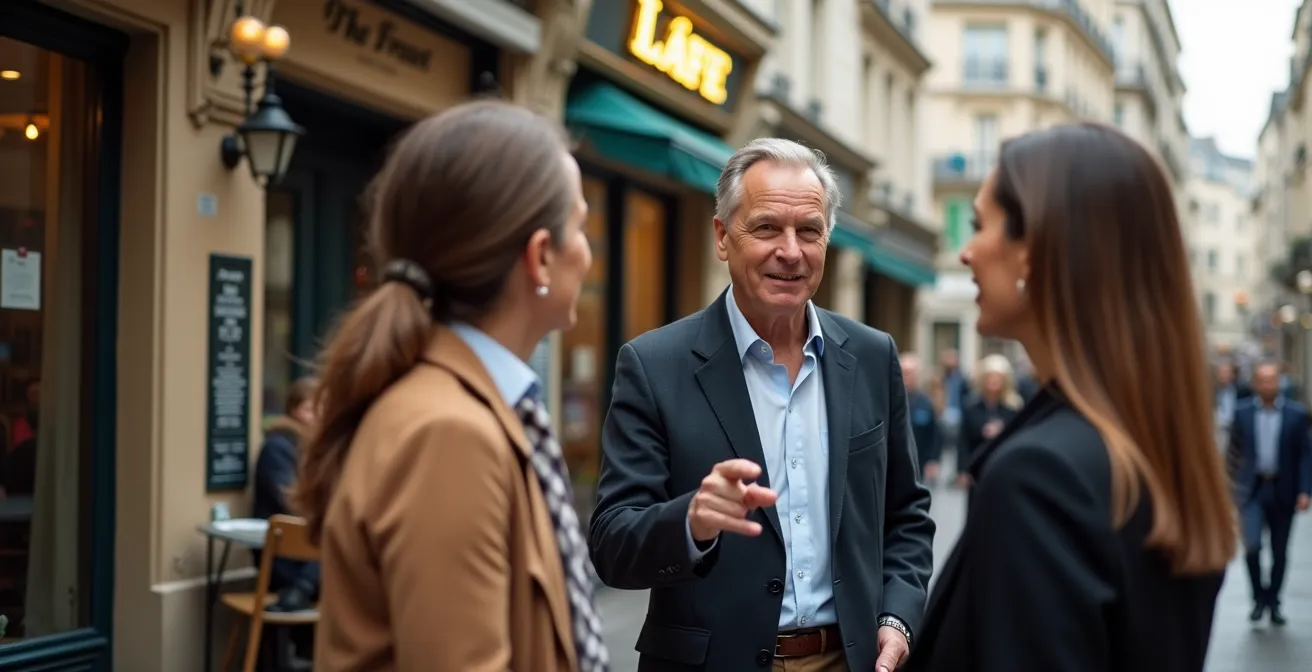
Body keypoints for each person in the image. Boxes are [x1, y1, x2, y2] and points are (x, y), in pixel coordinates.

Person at [589, 138, 934, 672]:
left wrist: (898, 617)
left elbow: (906, 516)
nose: (791, 251)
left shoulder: (870, 355)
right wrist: (692, 521)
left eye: (809, 231)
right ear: (723, 237)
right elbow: (613, 542)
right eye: (767, 227)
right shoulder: (654, 364)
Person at [903, 123, 1237, 672]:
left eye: (982, 225)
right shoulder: (1153, 449)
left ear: (1033, 250)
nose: (966, 253)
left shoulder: (1041, 476)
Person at [294, 101, 607, 672]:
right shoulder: (450, 434)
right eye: (581, 226)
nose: (588, 251)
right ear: (540, 257)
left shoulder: (463, 410)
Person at [1228, 360, 1312, 626]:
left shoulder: (1297, 415)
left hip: (1282, 490)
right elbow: (1232, 455)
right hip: (1251, 491)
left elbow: (1305, 456)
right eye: (1263, 380)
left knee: (1279, 551)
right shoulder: (1241, 414)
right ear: (1256, 384)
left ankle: (1273, 601)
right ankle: (1258, 598)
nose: (1268, 385)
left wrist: (1305, 491)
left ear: (1280, 383)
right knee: (1252, 547)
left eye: (1273, 380)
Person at [252, 376, 321, 612]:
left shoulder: (313, 449)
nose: (317, 417)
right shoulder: (278, 447)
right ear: (294, 410)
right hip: (283, 557)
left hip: (308, 554)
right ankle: (300, 591)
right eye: (310, 410)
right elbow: (292, 500)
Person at [954, 354, 1021, 493]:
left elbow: (1020, 437)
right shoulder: (972, 405)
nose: (993, 382)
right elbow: (963, 439)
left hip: (1005, 467)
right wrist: (962, 469)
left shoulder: (1014, 407)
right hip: (977, 468)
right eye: (990, 378)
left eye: (997, 379)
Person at [900, 353, 942, 485]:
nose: (906, 376)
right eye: (903, 372)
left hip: (918, 460)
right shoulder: (887, 399)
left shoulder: (925, 402)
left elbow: (934, 433)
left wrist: (933, 460)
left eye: (910, 372)